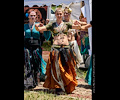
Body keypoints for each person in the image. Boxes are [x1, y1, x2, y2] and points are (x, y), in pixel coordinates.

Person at [35, 7, 83, 94]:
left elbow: (78, 27)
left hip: (66, 48)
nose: (59, 15)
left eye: (61, 14)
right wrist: (37, 26)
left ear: (62, 15)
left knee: (66, 68)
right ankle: (58, 87)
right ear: (55, 15)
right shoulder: (52, 25)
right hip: (56, 49)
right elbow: (41, 29)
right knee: (57, 68)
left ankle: (66, 85)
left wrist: (78, 24)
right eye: (58, 14)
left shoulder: (67, 24)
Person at [24, 10, 47, 89]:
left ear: (36, 17)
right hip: (27, 47)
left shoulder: (39, 25)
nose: (33, 17)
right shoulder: (25, 26)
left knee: (36, 64)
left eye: (34, 16)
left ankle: (36, 80)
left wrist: (43, 28)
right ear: (28, 16)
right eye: (31, 15)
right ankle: (29, 82)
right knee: (28, 63)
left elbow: (45, 35)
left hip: (36, 47)